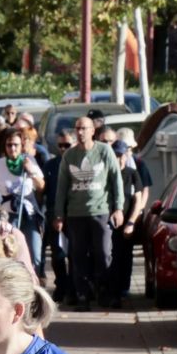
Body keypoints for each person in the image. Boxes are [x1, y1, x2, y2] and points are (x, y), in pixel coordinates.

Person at [52, 115, 126, 310]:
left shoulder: (104, 151)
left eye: (84, 128)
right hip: (75, 214)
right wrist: (58, 214)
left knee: (103, 253)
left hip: (100, 211)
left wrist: (118, 208)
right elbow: (62, 187)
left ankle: (106, 293)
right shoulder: (69, 155)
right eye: (77, 128)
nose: (80, 132)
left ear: (93, 131)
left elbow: (116, 180)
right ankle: (82, 295)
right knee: (77, 256)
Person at [0, 123, 47, 275]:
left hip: (29, 214)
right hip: (8, 216)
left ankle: (34, 284)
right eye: (9, 145)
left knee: (34, 254)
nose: (12, 149)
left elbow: (41, 186)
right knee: (9, 254)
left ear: (21, 145)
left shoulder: (28, 161)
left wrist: (31, 172)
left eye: (16, 145)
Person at [107, 136, 152, 305]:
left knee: (125, 256)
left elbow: (138, 199)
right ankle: (112, 291)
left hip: (126, 223)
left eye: (120, 155)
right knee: (112, 257)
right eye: (115, 155)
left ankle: (123, 289)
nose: (118, 159)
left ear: (126, 156)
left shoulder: (132, 174)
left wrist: (131, 222)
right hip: (109, 223)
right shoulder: (107, 174)